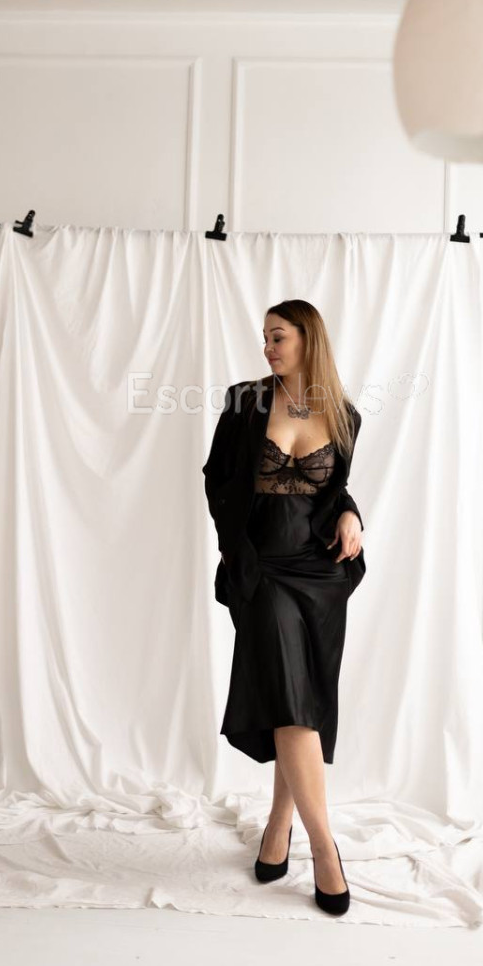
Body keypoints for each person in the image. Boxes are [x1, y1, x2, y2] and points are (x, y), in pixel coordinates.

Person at [202, 299, 365, 916]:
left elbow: (336, 487)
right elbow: (218, 480)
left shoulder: (343, 412)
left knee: (302, 698)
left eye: (278, 337)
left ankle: (278, 827)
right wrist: (238, 555)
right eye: (265, 338)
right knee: (294, 699)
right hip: (263, 569)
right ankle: (325, 849)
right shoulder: (244, 402)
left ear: (307, 339)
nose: (267, 347)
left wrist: (351, 515)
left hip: (320, 573)